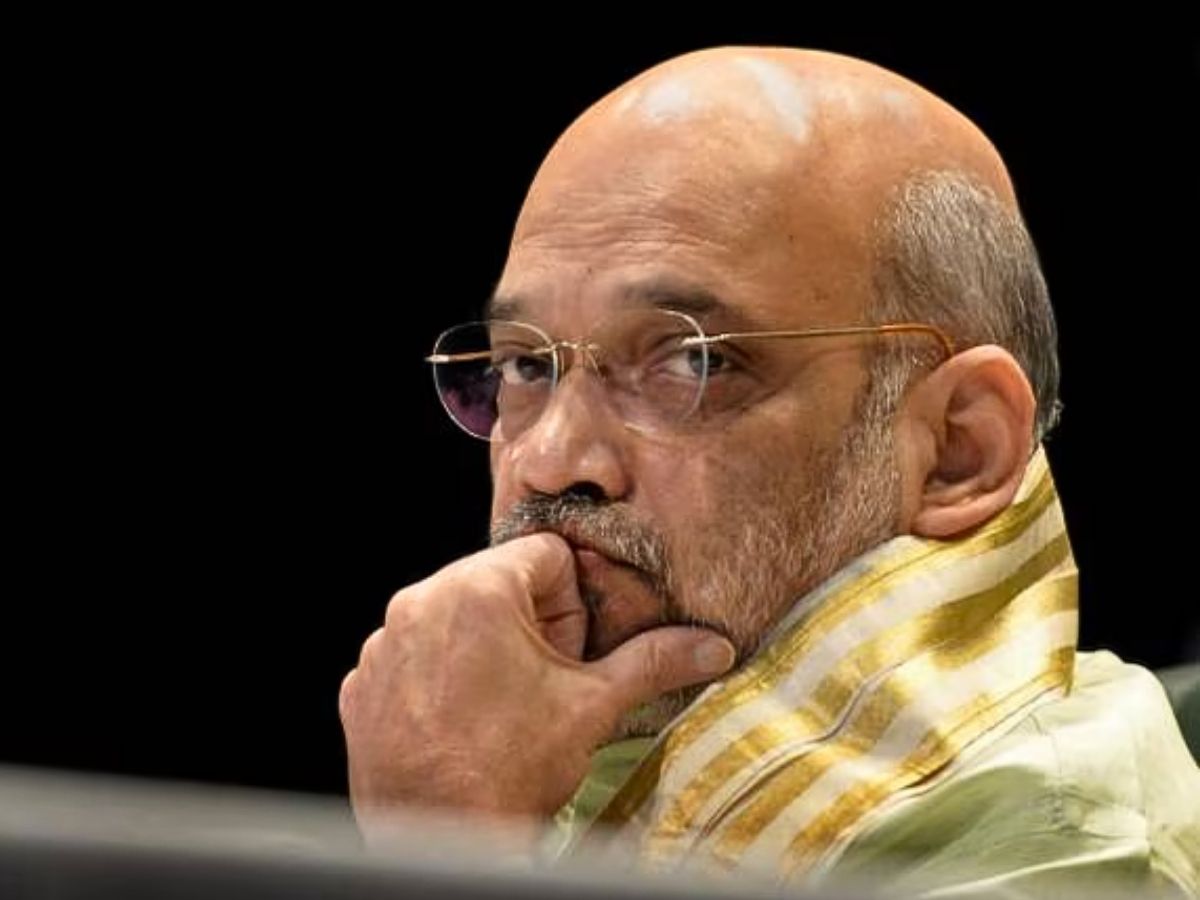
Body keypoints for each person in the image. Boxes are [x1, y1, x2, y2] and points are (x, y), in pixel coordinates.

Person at [338, 47, 1200, 895]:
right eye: (525, 365)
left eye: (694, 360)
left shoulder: (1057, 846)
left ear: (957, 451)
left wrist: (445, 848)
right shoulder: (543, 741)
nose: (551, 461)